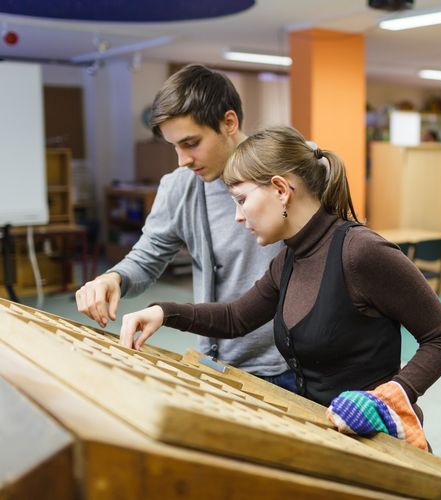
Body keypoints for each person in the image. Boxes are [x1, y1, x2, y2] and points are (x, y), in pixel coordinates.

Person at [118, 126, 441, 448]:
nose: (238, 216)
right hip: (324, 434)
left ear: (281, 190)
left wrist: (386, 398)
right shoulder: (289, 259)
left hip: (380, 442)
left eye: (241, 199)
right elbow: (237, 317)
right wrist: (163, 311)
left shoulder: (360, 252)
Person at [75, 65, 292, 390]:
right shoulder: (179, 187)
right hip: (216, 361)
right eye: (174, 146)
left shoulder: (289, 172)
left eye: (191, 143)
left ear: (229, 122)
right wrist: (113, 277)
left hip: (286, 364)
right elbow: (147, 257)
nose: (182, 160)